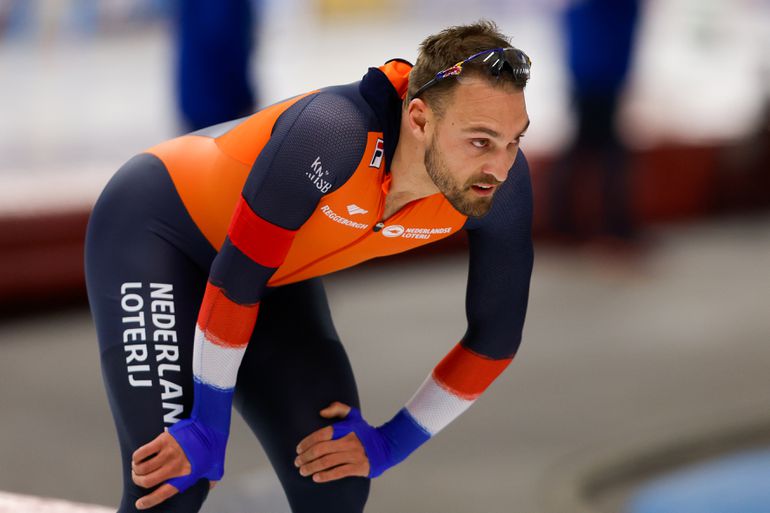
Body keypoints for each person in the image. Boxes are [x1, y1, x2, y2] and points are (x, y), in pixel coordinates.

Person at [85, 20, 533, 513]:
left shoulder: (499, 187)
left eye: (514, 141)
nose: (501, 166)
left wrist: (389, 444)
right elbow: (235, 282)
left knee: (334, 482)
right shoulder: (334, 133)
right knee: (173, 483)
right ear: (420, 120)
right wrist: (208, 427)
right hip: (160, 234)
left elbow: (494, 342)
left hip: (269, 275)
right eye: (481, 141)